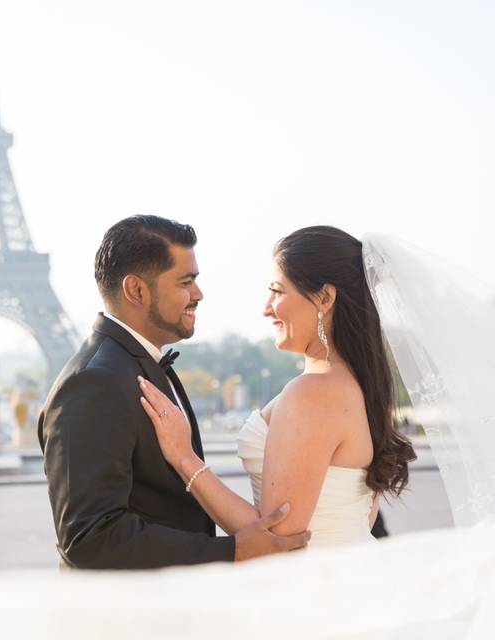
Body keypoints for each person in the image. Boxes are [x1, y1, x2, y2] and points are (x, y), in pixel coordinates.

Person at [38, 215, 310, 570]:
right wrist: (231, 551)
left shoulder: (135, 366)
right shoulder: (94, 383)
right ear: (136, 290)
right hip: (127, 619)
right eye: (186, 282)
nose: (199, 294)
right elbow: (89, 537)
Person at [139, 226, 416, 546]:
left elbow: (276, 538)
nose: (266, 308)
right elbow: (360, 515)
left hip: (314, 585)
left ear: (324, 297)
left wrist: (184, 459)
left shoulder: (315, 392)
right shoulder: (360, 385)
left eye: (277, 291)